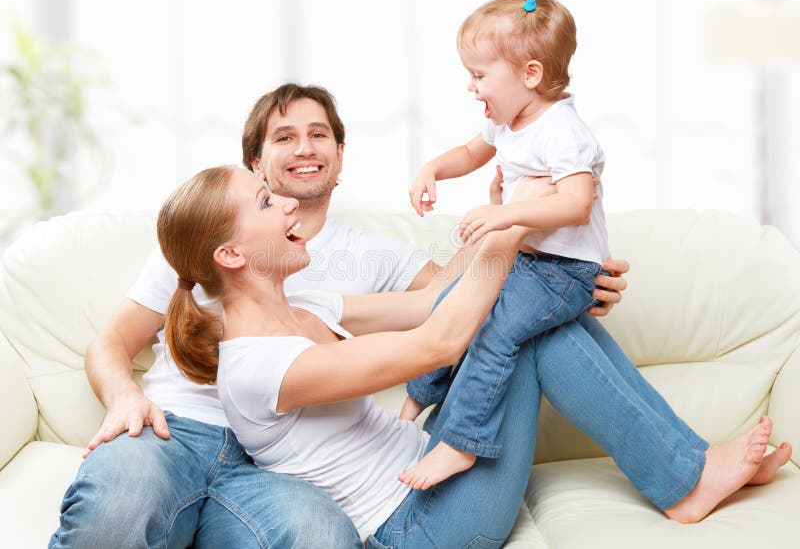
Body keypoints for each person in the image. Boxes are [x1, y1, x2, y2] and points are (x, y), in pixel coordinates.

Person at [47, 81, 632, 547]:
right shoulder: (199, 247)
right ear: (256, 163)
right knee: (121, 504)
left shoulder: (330, 276)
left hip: (276, 469)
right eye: (284, 138)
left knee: (320, 534)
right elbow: (440, 338)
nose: (304, 148)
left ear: (340, 151)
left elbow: (449, 302)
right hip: (176, 429)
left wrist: (560, 274)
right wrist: (126, 397)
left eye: (318, 133)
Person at [158, 164, 790, 548]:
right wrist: (516, 232)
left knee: (534, 313)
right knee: (527, 320)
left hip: (430, 465)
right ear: (231, 256)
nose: (290, 203)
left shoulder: (309, 303)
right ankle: (685, 480)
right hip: (420, 529)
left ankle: (689, 469)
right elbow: (438, 343)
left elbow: (438, 302)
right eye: (267, 204)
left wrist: (511, 225)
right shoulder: (257, 369)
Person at [402, 0, 616, 488]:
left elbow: (578, 203)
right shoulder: (507, 121)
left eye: (479, 75)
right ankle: (414, 401)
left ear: (531, 74)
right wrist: (432, 167)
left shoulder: (562, 130)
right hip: (531, 260)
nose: (472, 87)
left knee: (495, 332)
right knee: (455, 303)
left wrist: (505, 217)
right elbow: (472, 154)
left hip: (566, 272)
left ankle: (460, 443)